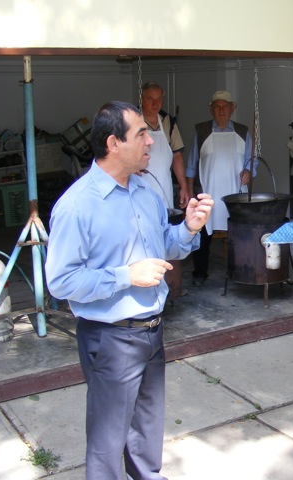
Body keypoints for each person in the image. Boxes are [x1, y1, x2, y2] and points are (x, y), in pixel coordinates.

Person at [45, 101, 213, 480]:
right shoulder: (77, 206)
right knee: (108, 440)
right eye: (141, 134)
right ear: (113, 143)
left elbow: (165, 245)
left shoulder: (146, 191)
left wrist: (189, 227)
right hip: (110, 337)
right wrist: (126, 276)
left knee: (147, 428)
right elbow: (62, 280)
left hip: (152, 331)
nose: (151, 141)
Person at [185, 90, 255, 286]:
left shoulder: (243, 132)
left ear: (232, 108)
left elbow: (251, 160)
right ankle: (200, 273)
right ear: (211, 110)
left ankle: (239, 271)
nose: (221, 110)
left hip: (235, 194)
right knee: (202, 235)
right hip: (207, 192)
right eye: (217, 107)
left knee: (237, 235)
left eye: (225, 107)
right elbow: (192, 164)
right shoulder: (201, 131)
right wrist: (189, 191)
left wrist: (249, 171)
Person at [140, 81, 189, 303]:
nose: (155, 103)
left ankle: (171, 287)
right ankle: (147, 288)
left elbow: (177, 156)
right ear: (142, 99)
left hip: (165, 189)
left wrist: (184, 187)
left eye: (159, 99)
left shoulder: (168, 122)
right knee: (143, 235)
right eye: (150, 99)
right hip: (139, 188)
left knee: (166, 234)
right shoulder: (133, 121)